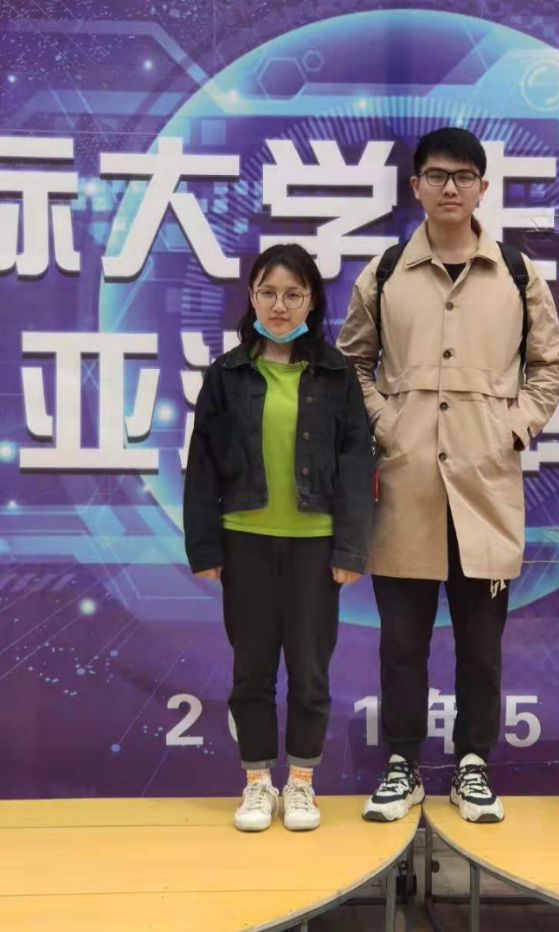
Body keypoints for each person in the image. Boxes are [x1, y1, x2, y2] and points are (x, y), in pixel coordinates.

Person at [338, 127, 559, 824]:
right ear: (415, 186)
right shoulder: (383, 273)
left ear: (482, 188)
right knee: (402, 643)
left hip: (484, 485)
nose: (449, 188)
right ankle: (402, 765)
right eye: (436, 175)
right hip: (405, 485)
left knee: (481, 646)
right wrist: (387, 425)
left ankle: (472, 764)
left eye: (463, 176)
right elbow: (351, 363)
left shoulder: (517, 273)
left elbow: (550, 365)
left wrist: (514, 428)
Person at [184, 244, 374, 833]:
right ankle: (256, 783)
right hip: (244, 540)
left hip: (315, 546)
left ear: (312, 301)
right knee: (252, 670)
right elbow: (202, 466)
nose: (280, 305)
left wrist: (350, 548)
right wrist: (205, 548)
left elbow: (356, 466)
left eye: (293, 294)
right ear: (252, 297)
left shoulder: (336, 374)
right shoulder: (227, 374)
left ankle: (301, 784)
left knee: (311, 671)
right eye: (268, 292)